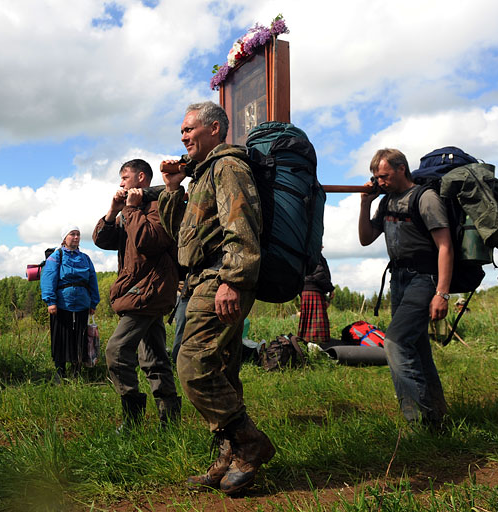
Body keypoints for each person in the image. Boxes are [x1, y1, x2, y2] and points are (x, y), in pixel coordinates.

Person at [157, 101, 274, 495]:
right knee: (222, 371)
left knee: (192, 364)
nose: (184, 136)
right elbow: (181, 235)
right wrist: (174, 188)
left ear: (215, 129)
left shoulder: (227, 167)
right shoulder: (203, 174)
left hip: (219, 278)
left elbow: (242, 224)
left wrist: (235, 281)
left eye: (190, 129)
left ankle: (251, 443)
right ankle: (229, 457)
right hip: (200, 279)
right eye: (182, 132)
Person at [359, 148, 451, 430]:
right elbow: (365, 239)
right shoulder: (385, 201)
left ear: (401, 169)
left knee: (395, 343)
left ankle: (417, 422)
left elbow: (445, 246)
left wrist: (442, 293)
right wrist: (365, 204)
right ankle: (437, 418)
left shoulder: (425, 198)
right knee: (418, 347)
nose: (379, 181)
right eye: (376, 177)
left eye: (384, 175)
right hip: (398, 279)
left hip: (424, 278)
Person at [93, 159, 181, 428]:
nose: (121, 183)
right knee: (154, 358)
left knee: (117, 351)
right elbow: (103, 240)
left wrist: (130, 210)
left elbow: (149, 240)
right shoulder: (131, 210)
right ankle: (170, 423)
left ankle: (132, 418)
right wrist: (113, 212)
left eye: (125, 177)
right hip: (141, 290)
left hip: (149, 290)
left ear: (141, 177)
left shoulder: (159, 204)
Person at [40, 226, 100, 380]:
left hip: (82, 304)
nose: (76, 237)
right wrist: (50, 302)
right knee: (61, 337)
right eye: (72, 234)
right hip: (61, 305)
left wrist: (93, 303)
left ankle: (77, 371)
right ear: (64, 238)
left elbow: (93, 280)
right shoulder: (56, 256)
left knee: (80, 337)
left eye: (78, 234)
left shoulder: (85, 258)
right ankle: (60, 373)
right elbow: (48, 278)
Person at [298, 252, 335, 343]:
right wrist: (330, 288)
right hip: (313, 291)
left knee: (307, 322)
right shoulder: (314, 254)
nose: (322, 246)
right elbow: (319, 275)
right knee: (317, 323)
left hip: (305, 290)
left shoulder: (304, 252)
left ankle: (306, 343)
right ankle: (318, 345)